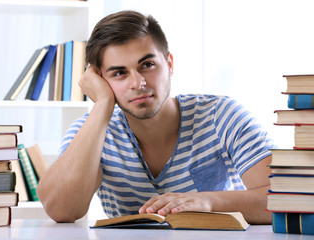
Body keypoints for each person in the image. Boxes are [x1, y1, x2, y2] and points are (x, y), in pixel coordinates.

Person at [37, 10, 274, 224]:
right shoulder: (91, 131)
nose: (138, 83)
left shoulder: (221, 116)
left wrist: (208, 202)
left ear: (169, 64)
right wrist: (102, 104)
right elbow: (61, 210)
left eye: (147, 64)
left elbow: (289, 199)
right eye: (119, 73)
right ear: (100, 80)